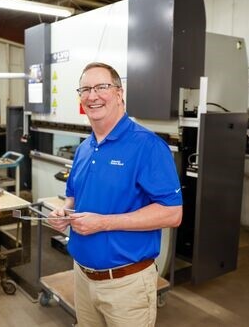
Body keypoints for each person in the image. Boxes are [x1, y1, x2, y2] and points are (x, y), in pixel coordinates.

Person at [48, 62, 183, 327]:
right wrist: (63, 213)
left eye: (101, 87)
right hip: (82, 278)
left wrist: (105, 222)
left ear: (120, 93)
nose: (92, 95)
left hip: (126, 285)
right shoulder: (84, 149)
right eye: (85, 89)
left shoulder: (147, 145)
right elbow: (73, 197)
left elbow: (172, 213)